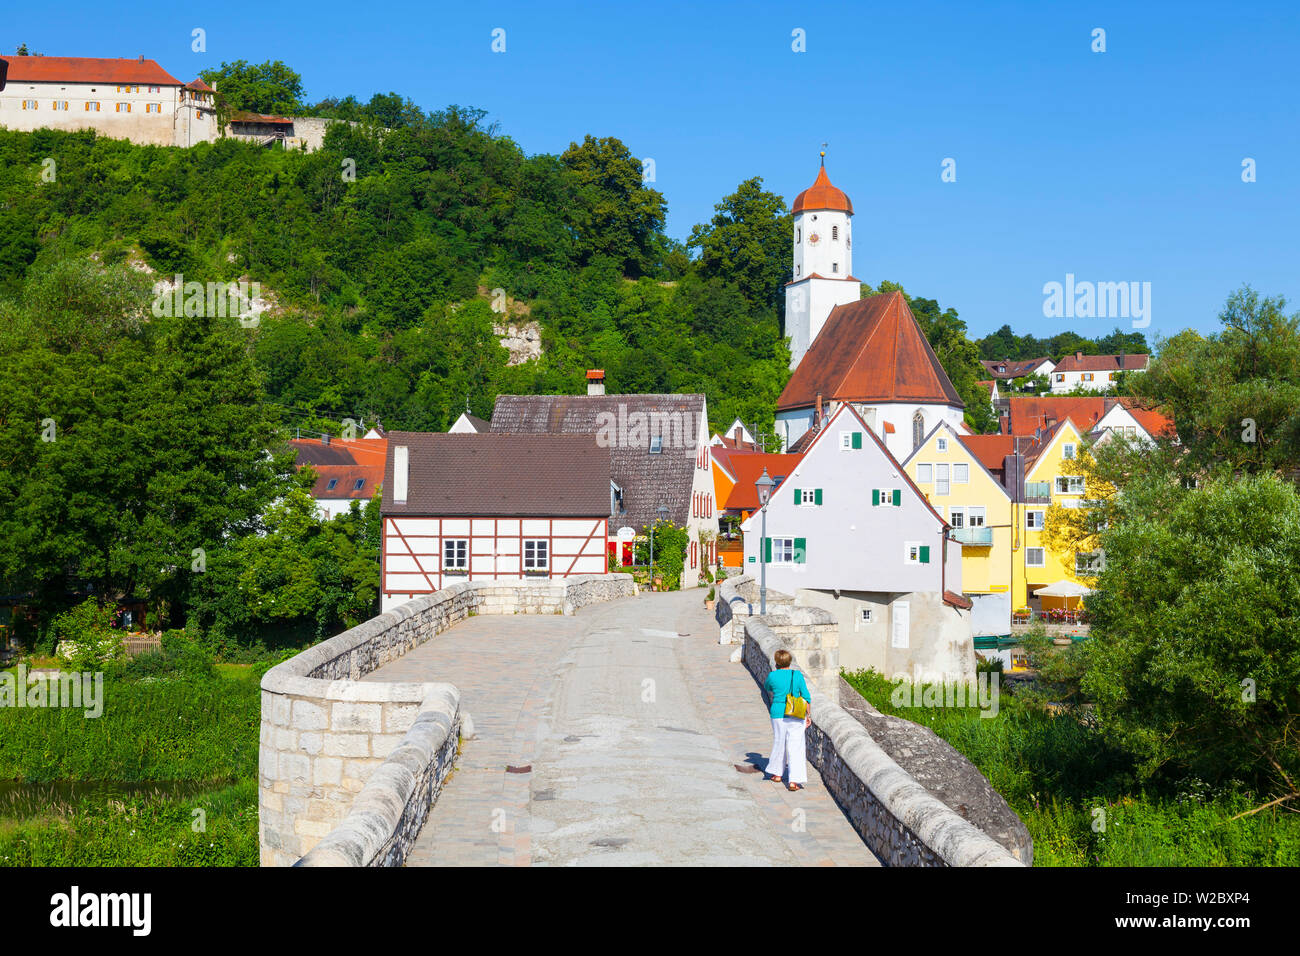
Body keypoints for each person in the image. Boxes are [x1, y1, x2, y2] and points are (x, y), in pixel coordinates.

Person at [762, 648, 811, 791]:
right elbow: (806, 696)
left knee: (779, 742)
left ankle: (777, 774)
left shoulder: (773, 676)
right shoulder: (797, 675)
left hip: (778, 713)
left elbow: (768, 687)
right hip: (795, 713)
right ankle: (794, 781)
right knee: (796, 747)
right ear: (790, 661)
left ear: (777, 662)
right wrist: (809, 716)